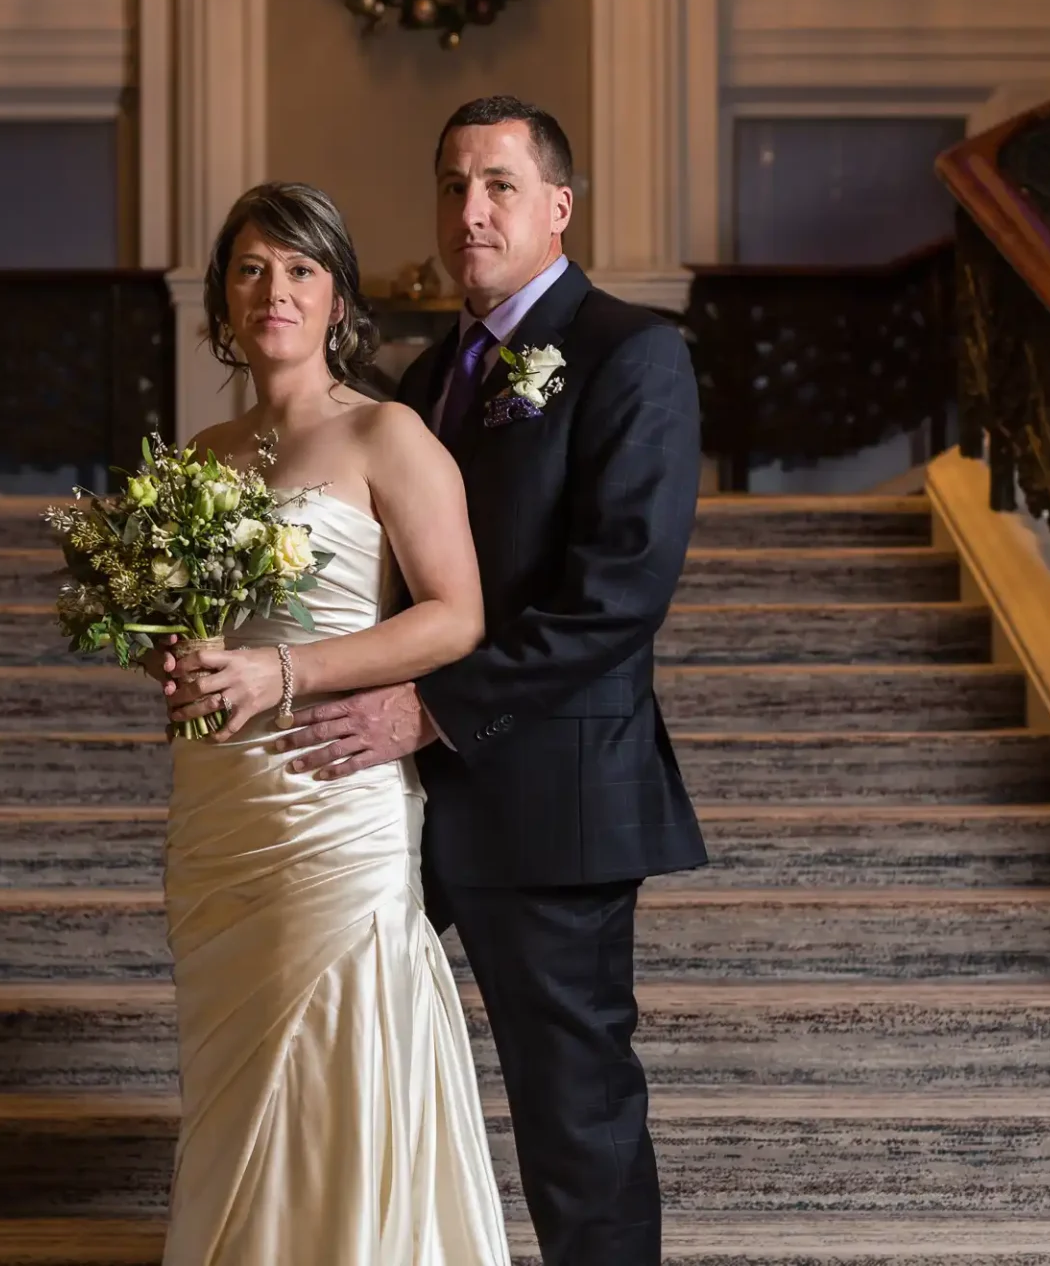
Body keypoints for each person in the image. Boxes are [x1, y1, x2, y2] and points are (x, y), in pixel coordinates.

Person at [189, 96, 709, 1265]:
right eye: (452, 186)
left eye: (500, 185)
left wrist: (431, 704)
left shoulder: (635, 353)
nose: (470, 210)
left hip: (552, 793)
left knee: (575, 1116)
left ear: (559, 207)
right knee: (366, 1074)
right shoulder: (420, 380)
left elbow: (618, 593)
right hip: (390, 801)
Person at [148, 181, 511, 1265]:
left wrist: (283, 669)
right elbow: (201, 628)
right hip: (220, 807)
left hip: (328, 797)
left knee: (333, 1057)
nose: (276, 289)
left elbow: (457, 614)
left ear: (339, 298)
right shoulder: (203, 453)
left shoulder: (384, 433)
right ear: (223, 296)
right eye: (253, 267)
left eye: (301, 268)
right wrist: (181, 660)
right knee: (235, 1078)